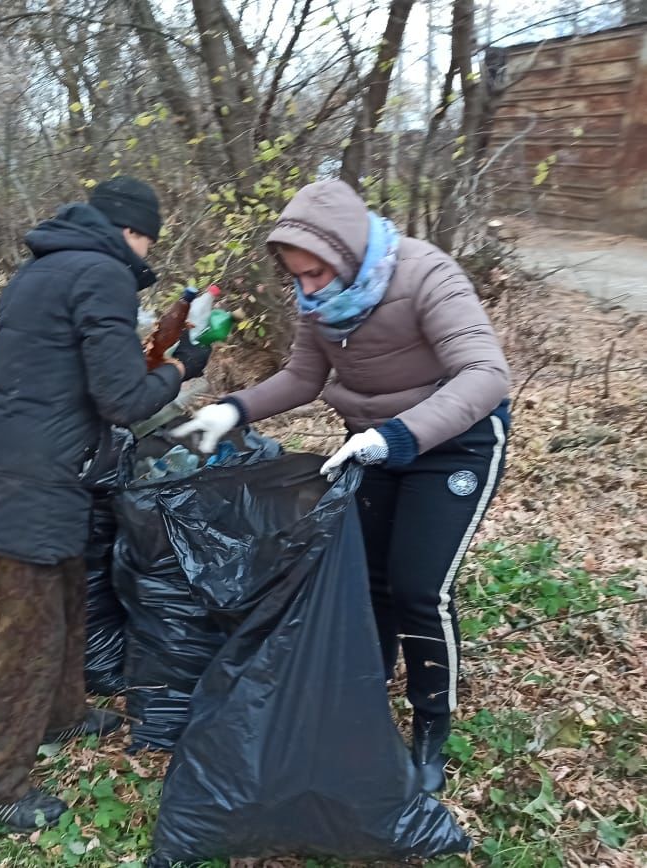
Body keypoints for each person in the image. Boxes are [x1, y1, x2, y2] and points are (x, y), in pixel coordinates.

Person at [175, 179, 510, 793]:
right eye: (297, 277)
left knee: (418, 588)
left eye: (316, 275)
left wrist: (401, 436)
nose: (307, 290)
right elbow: (304, 376)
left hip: (455, 442)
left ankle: (432, 724)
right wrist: (234, 410)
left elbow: (486, 373)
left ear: (349, 255)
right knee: (373, 578)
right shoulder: (320, 308)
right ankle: (366, 698)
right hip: (374, 444)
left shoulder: (426, 275)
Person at [0, 177, 211, 831]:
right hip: (33, 473)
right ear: (132, 233)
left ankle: (62, 716)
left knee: (69, 595)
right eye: (147, 244)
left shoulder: (43, 268)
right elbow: (125, 399)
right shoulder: (101, 274)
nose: (143, 259)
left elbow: (77, 373)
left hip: (24, 461)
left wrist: (156, 358)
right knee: (29, 633)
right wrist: (183, 369)